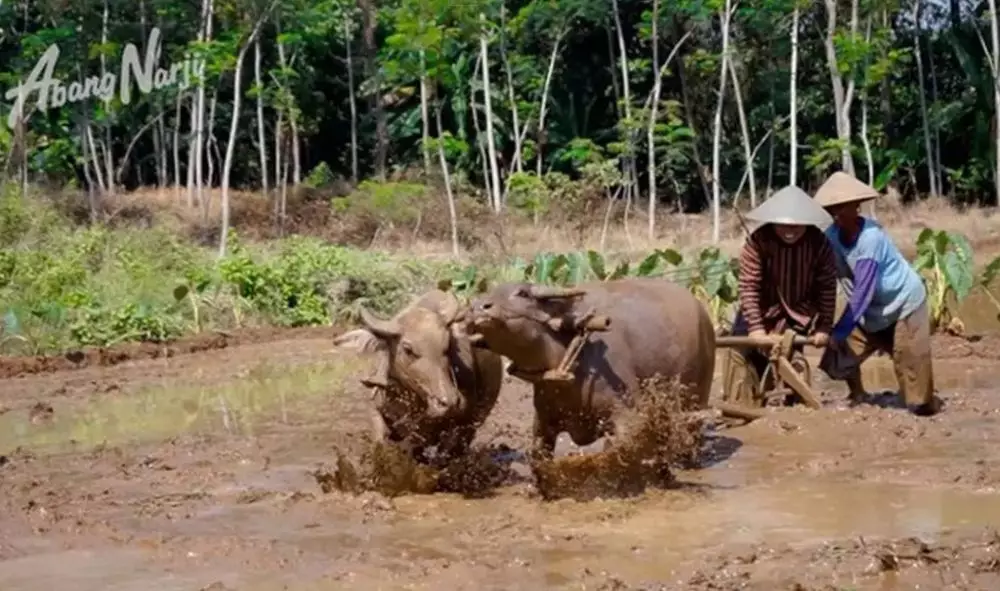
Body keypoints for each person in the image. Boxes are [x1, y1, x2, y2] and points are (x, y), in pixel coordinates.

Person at [813, 171, 939, 417]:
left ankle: (923, 411)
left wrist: (838, 329)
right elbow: (824, 275)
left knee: (913, 373)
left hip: (903, 304)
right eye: (832, 209)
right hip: (870, 311)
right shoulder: (831, 237)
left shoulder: (871, 237)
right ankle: (857, 393)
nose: (837, 214)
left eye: (842, 208)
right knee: (839, 355)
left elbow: (863, 291)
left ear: (856, 207)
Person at [722, 185, 839, 404]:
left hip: (797, 312)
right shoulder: (758, 242)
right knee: (741, 359)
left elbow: (827, 287)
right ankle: (742, 406)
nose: (789, 231)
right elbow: (749, 286)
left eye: (796, 226)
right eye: (783, 225)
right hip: (760, 309)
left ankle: (795, 409)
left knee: (793, 362)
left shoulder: (820, 244)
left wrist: (824, 326)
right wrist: (756, 329)